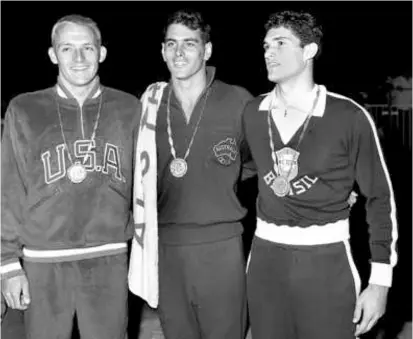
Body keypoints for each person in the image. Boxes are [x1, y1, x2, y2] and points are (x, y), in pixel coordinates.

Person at [242, 10, 398, 339]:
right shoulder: (251, 113)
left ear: (309, 50)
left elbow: (380, 197)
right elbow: (238, 168)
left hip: (326, 261)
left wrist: (380, 281)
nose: (268, 52)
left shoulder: (348, 116)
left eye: (280, 44)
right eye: (266, 45)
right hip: (265, 259)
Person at [1, 14, 141, 339]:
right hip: (43, 262)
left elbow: (149, 184)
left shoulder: (130, 107)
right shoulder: (24, 109)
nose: (78, 58)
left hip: (109, 259)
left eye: (87, 48)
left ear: (101, 52)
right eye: (67, 48)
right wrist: (7, 264)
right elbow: (8, 190)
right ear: (53, 54)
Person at [129, 8, 255, 339]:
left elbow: (260, 160)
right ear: (162, 50)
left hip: (222, 244)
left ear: (207, 50)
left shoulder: (237, 99)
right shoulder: (147, 105)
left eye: (189, 43)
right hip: (165, 245)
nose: (179, 52)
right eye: (171, 44)